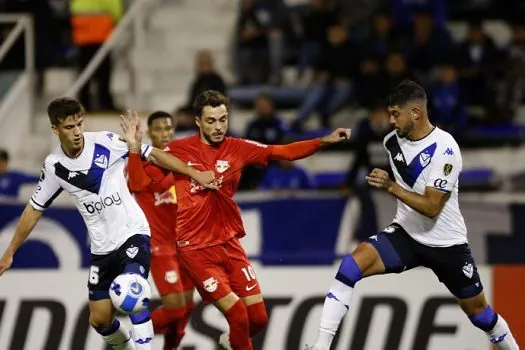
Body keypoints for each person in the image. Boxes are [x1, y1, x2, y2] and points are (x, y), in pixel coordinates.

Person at [121, 90, 351, 350]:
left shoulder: (238, 148)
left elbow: (283, 151)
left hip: (229, 244)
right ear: (198, 121)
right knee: (238, 314)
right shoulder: (177, 150)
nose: (218, 127)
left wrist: (324, 141)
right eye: (211, 121)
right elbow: (140, 184)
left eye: (223, 119)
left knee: (258, 319)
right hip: (195, 250)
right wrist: (134, 149)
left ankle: (232, 342)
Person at [306, 81, 519, 350]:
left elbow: (431, 207)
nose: (390, 120)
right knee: (350, 266)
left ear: (416, 113)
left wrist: (390, 186)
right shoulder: (390, 141)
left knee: (481, 315)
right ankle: (321, 346)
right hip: (406, 234)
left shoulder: (446, 149)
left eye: (396, 114)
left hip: (446, 244)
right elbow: (366, 146)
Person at [0, 98, 215, 350]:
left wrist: (194, 173)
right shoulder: (54, 166)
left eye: (79, 124)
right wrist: (10, 251)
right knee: (100, 320)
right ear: (55, 130)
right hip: (102, 248)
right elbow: (34, 209)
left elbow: (153, 155)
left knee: (132, 291)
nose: (78, 132)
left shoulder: (105, 141)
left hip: (133, 232)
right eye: (69, 127)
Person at [127, 111, 195, 349]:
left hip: (186, 247)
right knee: (175, 309)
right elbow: (135, 185)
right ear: (149, 132)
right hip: (159, 247)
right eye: (159, 129)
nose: (165, 134)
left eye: (168, 128)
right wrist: (135, 149)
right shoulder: (142, 162)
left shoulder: (183, 158)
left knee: (188, 308)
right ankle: (130, 338)